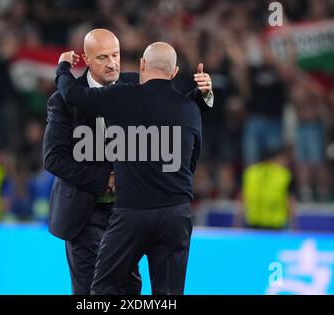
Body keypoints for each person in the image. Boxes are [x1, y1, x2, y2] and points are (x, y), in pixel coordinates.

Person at [43, 29, 213, 295]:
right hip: (86, 214)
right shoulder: (63, 100)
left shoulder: (136, 86)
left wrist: (202, 96)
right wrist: (105, 181)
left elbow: (171, 109)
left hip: (127, 213)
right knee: (91, 292)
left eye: (116, 55)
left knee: (129, 290)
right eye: (102, 57)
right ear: (86, 60)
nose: (112, 63)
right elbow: (53, 158)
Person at [235, 147, 296, 230]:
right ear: (277, 158)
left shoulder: (250, 172)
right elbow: (289, 202)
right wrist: (294, 226)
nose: (286, 164)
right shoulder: (284, 175)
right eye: (284, 160)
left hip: (253, 224)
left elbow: (241, 199)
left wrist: (236, 224)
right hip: (276, 226)